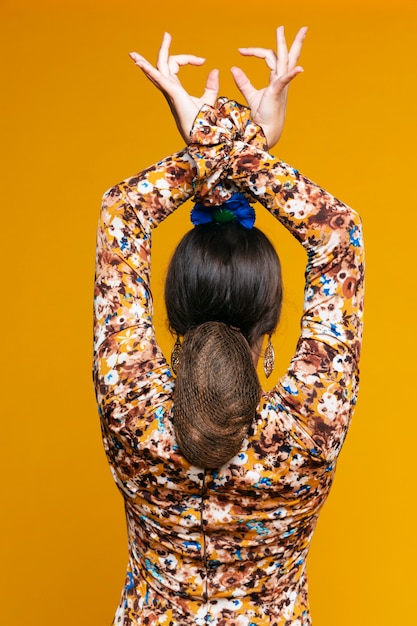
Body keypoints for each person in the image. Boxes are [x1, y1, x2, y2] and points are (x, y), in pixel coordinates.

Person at [93, 27, 364, 626]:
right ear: (270, 329)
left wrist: (213, 144)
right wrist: (250, 151)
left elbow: (123, 215)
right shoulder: (306, 430)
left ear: (169, 312)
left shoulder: (130, 411)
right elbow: (337, 234)